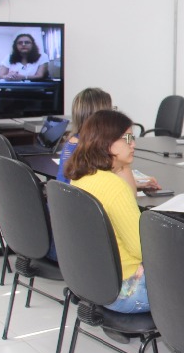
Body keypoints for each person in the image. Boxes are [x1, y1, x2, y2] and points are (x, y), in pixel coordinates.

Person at [62, 110, 150, 313]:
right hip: (126, 292)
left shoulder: (81, 176)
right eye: (127, 138)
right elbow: (142, 249)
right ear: (106, 142)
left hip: (94, 283)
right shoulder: (115, 187)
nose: (133, 144)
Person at [55, 88, 158, 192]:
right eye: (111, 109)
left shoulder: (74, 141)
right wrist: (124, 163)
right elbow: (130, 194)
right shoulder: (93, 151)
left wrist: (136, 181)